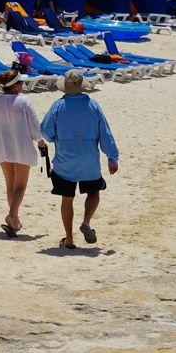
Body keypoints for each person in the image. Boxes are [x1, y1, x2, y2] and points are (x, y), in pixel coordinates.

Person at [40, 70, 119, 249]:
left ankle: (69, 239)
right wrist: (112, 157)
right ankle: (86, 222)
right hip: (89, 160)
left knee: (67, 199)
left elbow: (45, 131)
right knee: (94, 192)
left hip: (65, 161)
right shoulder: (93, 105)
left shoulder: (58, 106)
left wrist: (55, 138)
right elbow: (105, 134)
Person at [0, 68, 46, 238]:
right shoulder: (24, 102)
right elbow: (35, 127)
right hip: (22, 147)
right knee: (20, 186)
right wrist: (41, 141)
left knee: (10, 186)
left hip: (3, 147)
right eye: (21, 82)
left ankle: (15, 222)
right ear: (16, 87)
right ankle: (11, 216)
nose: (23, 85)